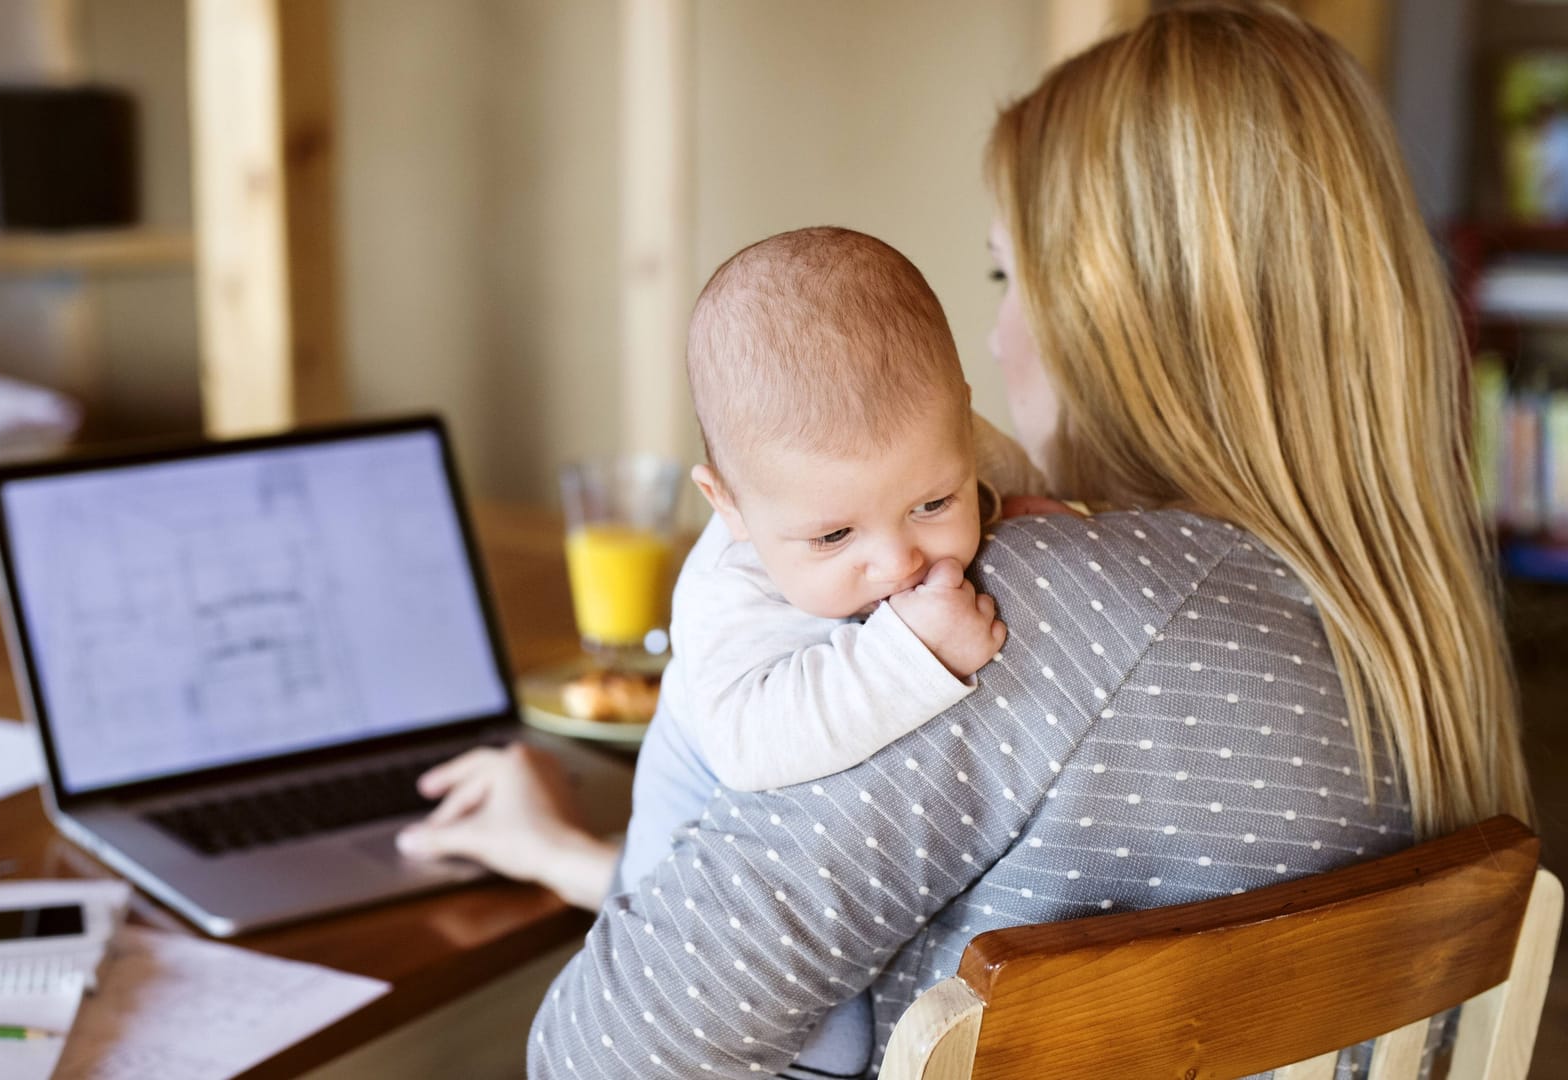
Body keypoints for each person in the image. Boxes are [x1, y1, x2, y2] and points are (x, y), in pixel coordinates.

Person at [397, 3, 1532, 1077]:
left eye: (1007, 275)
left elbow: (607, 1051)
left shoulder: (1037, 614)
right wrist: (572, 860)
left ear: (1115, 315)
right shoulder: (1412, 633)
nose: (991, 337)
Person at [671, 225, 1025, 795]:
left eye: (933, 503)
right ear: (728, 505)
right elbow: (746, 749)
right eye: (834, 536)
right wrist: (914, 653)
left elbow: (1035, 484)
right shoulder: (730, 590)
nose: (895, 563)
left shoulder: (937, 439)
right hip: (688, 827)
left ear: (964, 417)